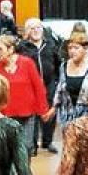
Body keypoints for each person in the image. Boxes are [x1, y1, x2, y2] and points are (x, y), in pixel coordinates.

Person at [0, 35, 49, 155]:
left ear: (10, 49)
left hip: (27, 114)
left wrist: (43, 109)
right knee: (6, 150)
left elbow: (38, 87)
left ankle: (24, 173)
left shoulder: (27, 63)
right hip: (4, 115)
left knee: (26, 148)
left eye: (0, 49)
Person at [17, 17, 61, 154]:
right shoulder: (21, 47)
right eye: (32, 28)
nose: (36, 31)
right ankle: (32, 144)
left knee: (49, 114)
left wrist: (57, 81)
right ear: (27, 31)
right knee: (32, 116)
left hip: (49, 84)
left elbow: (58, 63)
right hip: (30, 88)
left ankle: (48, 142)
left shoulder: (51, 45)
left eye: (38, 28)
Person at [46, 32, 88, 126]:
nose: (72, 51)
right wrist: (53, 108)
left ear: (85, 49)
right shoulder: (64, 66)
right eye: (70, 48)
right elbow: (60, 89)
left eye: (76, 48)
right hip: (67, 117)